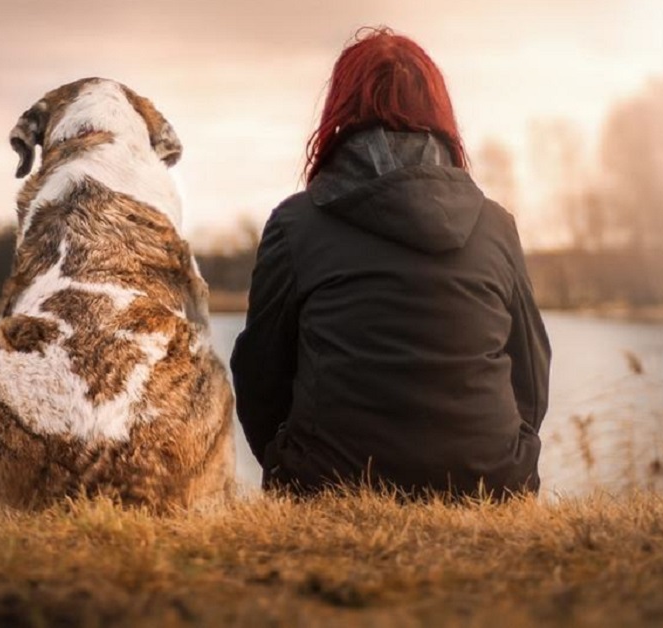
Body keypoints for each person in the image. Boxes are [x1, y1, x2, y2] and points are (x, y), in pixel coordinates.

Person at [230, 27, 551, 500]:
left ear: (340, 112)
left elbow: (259, 375)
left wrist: (289, 461)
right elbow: (532, 373)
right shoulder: (495, 225)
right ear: (439, 114)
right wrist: (505, 455)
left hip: (327, 483)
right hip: (491, 483)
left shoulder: (296, 224)